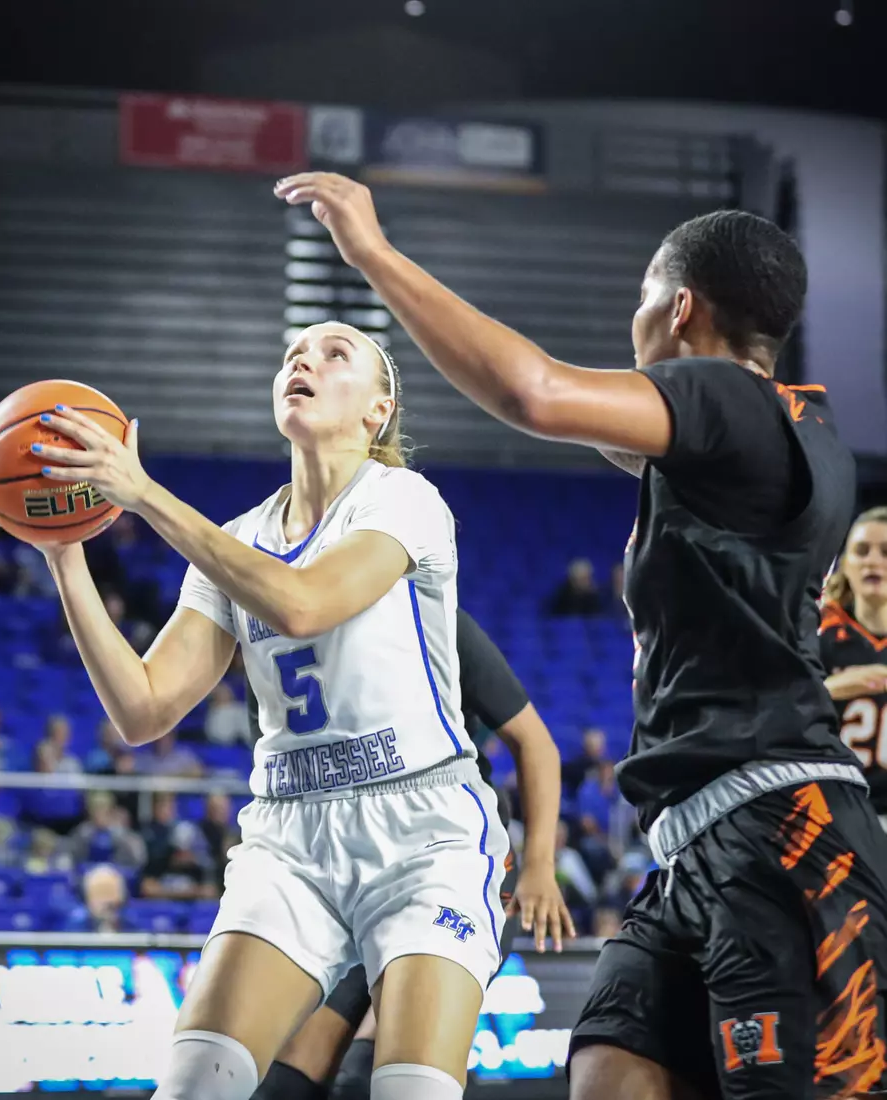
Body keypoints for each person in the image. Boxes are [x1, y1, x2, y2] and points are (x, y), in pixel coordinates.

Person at [276, 173, 887, 1099]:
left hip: (782, 833)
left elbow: (534, 393)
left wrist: (374, 257)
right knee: (609, 1070)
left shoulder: (726, 398)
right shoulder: (786, 432)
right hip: (697, 843)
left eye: (643, 295)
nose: (633, 316)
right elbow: (571, 417)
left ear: (680, 308)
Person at [5, 320, 515, 1099]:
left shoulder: (406, 500)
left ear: (378, 411)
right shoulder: (238, 540)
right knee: (190, 1087)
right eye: (291, 354)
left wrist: (141, 494)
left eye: (334, 352)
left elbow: (303, 604)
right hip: (290, 839)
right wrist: (65, 555)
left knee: (407, 1090)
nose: (302, 359)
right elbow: (143, 711)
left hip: (425, 834)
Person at [252, 606, 571, 1100]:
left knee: (373, 1073)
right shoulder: (296, 629)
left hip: (456, 869)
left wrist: (540, 869)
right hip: (361, 873)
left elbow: (536, 744)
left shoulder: (434, 617)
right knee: (287, 1079)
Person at [820, 507, 887, 830]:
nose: (874, 561)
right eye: (862, 551)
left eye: (886, 552)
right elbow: (766, 709)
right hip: (832, 814)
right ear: (845, 565)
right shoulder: (814, 632)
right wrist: (829, 690)